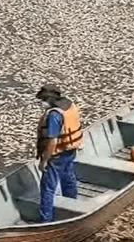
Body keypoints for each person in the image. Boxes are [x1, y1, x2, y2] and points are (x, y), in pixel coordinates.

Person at [35, 84, 83, 223]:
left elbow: (52, 141)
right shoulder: (68, 105)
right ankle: (73, 206)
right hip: (70, 149)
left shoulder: (55, 115)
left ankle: (46, 221)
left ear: (49, 99)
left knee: (48, 188)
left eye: (43, 99)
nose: (41, 102)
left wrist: (44, 161)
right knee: (68, 176)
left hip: (57, 155)